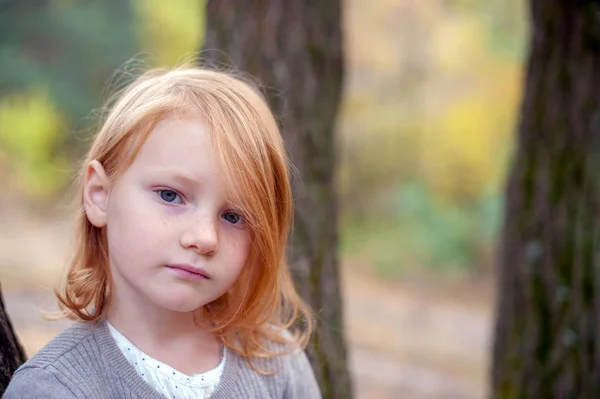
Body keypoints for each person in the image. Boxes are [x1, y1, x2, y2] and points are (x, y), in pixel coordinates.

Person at [4, 66, 321, 399]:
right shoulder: (54, 388)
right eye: (170, 195)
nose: (205, 238)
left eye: (233, 216)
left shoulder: (278, 366)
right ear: (100, 195)